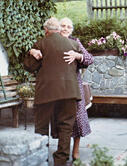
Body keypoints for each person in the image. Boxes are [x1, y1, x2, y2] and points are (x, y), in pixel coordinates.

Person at [30, 17, 93, 161]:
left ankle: (42, 157)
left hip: (50, 91)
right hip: (69, 91)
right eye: (63, 26)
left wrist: (78, 56)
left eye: (68, 27)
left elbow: (30, 66)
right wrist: (32, 51)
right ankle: (61, 160)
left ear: (47, 31)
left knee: (44, 126)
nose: (65, 29)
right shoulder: (71, 44)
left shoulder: (46, 43)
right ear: (58, 28)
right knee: (66, 126)